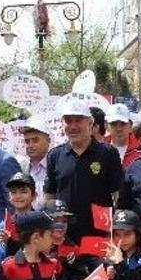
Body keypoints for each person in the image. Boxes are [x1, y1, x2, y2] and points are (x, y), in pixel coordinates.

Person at [45, 100, 124, 243]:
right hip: (65, 236)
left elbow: (118, 194)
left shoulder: (107, 153)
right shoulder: (55, 155)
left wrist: (115, 230)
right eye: (68, 121)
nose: (73, 126)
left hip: (100, 235)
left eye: (78, 120)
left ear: (90, 123)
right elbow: (49, 196)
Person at [19, 117, 52, 210]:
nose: (30, 145)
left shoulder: (57, 165)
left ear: (48, 141)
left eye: (35, 140)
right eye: (27, 141)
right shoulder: (21, 167)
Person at [105, 103, 141, 168]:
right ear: (106, 126)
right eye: (114, 123)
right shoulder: (97, 150)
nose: (119, 128)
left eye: (123, 123)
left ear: (130, 126)